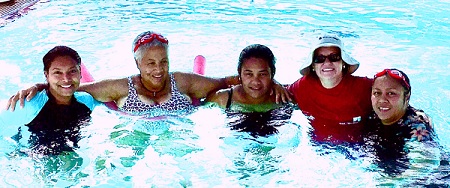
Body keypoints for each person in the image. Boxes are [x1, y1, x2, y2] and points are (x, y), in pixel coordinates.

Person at [6, 31, 290, 117]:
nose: (158, 69)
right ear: (138, 63)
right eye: (150, 63)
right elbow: (74, 87)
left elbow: (229, 80)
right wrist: (40, 84)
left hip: (178, 136)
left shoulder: (184, 81)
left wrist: (272, 81)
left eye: (163, 61)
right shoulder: (119, 87)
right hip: (133, 134)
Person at [0, 46, 100, 155]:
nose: (66, 79)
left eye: (72, 71)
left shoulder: (87, 101)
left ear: (80, 73)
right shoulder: (29, 105)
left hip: (71, 153)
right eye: (58, 72)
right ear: (46, 75)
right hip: (30, 158)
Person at [287, 35, 373, 143]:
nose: (327, 63)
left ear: (343, 62)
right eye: (320, 59)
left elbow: (392, 88)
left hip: (359, 146)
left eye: (334, 57)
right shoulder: (303, 86)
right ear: (313, 65)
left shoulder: (363, 86)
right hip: (319, 147)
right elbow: (272, 93)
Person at [206, 44, 293, 137]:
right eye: (249, 74)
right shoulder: (222, 99)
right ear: (239, 73)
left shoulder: (284, 99)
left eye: (262, 74)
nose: (256, 82)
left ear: (272, 74)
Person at [363, 68, 436, 175]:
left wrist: (390, 183)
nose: (382, 100)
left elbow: (425, 163)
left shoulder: (417, 124)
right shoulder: (372, 117)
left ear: (407, 96)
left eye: (391, 93)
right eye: (377, 93)